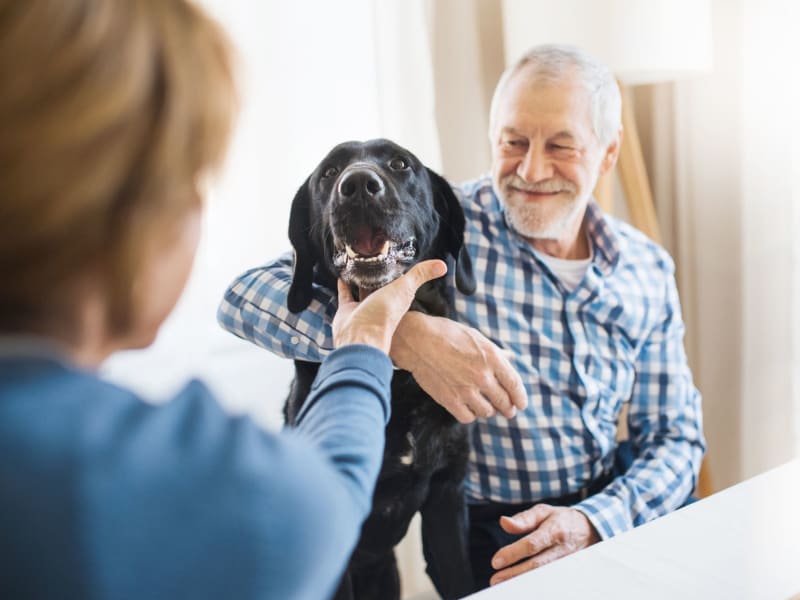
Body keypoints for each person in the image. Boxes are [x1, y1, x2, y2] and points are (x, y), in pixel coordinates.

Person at [0, 1, 449, 599]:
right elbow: (321, 505)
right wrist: (369, 343)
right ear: (139, 216)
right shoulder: (193, 481)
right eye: (191, 179)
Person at [217, 44, 706, 590]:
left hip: (608, 515)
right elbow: (243, 298)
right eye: (513, 142)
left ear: (608, 151)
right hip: (492, 531)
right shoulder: (439, 220)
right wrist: (404, 336)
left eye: (561, 145)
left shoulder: (647, 268)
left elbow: (675, 437)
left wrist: (597, 521)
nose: (531, 169)